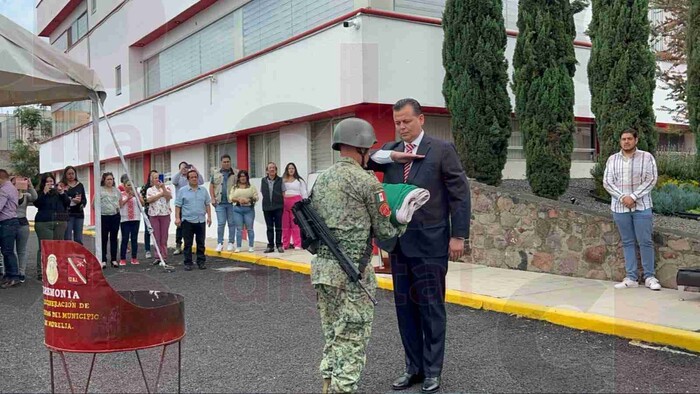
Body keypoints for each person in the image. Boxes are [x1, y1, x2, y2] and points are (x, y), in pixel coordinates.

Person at [369, 98, 471, 393]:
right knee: (406, 310)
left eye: (406, 121)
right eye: (397, 122)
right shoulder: (391, 152)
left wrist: (458, 236)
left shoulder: (441, 150)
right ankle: (412, 368)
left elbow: (459, 195)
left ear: (421, 119)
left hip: (431, 243)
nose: (401, 127)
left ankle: (432, 370)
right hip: (399, 245)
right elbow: (369, 159)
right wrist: (393, 157)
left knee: (430, 308)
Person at [311, 118, 404, 393]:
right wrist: (405, 217)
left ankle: (327, 385)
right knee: (351, 341)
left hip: (323, 271)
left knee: (333, 335)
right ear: (363, 147)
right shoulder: (367, 182)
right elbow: (385, 229)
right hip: (353, 275)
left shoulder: (321, 179)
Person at [603, 129, 661, 291]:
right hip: (620, 208)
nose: (626, 141)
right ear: (620, 141)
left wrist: (633, 197)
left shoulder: (646, 157)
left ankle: (649, 277)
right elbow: (607, 182)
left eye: (629, 138)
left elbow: (651, 179)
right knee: (628, 242)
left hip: (642, 206)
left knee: (645, 241)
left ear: (636, 140)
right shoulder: (612, 159)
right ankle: (631, 277)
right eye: (623, 139)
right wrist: (623, 198)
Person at [33, 173, 71, 280]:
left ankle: (58, 270)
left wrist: (62, 192)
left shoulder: (58, 192)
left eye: (51, 181)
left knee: (58, 246)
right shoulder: (40, 193)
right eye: (47, 182)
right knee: (45, 247)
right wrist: (44, 193)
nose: (50, 184)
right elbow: (37, 204)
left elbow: (67, 203)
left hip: (59, 221)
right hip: (44, 222)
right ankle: (42, 272)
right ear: (44, 183)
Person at [175, 169, 212, 271]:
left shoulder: (203, 190)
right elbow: (178, 205)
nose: (194, 179)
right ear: (188, 179)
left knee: (201, 243)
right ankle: (188, 263)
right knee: (188, 243)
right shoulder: (182, 191)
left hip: (201, 220)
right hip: (187, 220)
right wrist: (177, 218)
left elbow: (207, 204)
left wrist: (209, 217)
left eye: (195, 177)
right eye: (191, 177)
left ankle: (201, 262)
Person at [171, 161, 204, 255]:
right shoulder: (179, 178)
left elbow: (201, 181)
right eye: (183, 168)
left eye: (186, 168)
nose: (185, 169)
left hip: (192, 207)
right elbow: (173, 181)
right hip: (181, 206)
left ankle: (188, 246)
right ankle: (178, 245)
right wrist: (180, 171)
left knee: (191, 229)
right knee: (180, 227)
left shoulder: (191, 178)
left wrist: (195, 169)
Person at [209, 154, 237, 252]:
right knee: (221, 223)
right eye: (224, 162)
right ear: (221, 163)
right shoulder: (215, 173)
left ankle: (231, 242)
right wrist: (212, 198)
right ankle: (220, 243)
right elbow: (211, 186)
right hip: (220, 203)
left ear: (230, 162)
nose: (226, 163)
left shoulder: (235, 173)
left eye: (228, 162)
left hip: (231, 203)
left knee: (232, 223)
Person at [12, 175, 37, 283]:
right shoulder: (6, 194)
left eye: (18, 182)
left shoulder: (26, 195)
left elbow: (35, 197)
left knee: (22, 250)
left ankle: (21, 272)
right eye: (14, 182)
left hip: (23, 223)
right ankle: (11, 271)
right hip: (10, 223)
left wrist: (30, 184)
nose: (16, 184)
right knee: (10, 250)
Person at [146, 170, 172, 264]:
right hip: (154, 215)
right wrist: (161, 194)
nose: (157, 179)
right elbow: (149, 200)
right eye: (155, 178)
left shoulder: (167, 187)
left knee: (164, 237)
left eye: (158, 177)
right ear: (152, 180)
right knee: (156, 236)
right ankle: (157, 256)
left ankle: (164, 256)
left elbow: (169, 197)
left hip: (165, 214)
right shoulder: (150, 190)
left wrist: (163, 188)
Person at [228, 169, 258, 253]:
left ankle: (251, 246)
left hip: (249, 209)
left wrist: (248, 200)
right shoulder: (234, 187)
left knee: (250, 228)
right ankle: (238, 246)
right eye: (241, 176)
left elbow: (256, 197)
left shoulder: (251, 187)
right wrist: (238, 200)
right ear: (238, 178)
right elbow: (230, 197)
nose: (242, 178)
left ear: (247, 177)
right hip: (237, 209)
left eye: (244, 176)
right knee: (239, 229)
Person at [0, 169, 20, 289]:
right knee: (7, 251)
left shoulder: (4, 190)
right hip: (11, 222)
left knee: (7, 251)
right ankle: (9, 276)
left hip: (7, 222)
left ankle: (13, 277)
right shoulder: (12, 188)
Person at [119, 174, 144, 266]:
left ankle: (134, 258)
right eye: (128, 185)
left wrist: (136, 196)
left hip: (135, 218)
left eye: (131, 185)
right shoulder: (121, 194)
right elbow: (120, 205)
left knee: (134, 238)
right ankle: (122, 258)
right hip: (124, 219)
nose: (130, 187)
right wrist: (128, 198)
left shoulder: (137, 194)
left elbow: (143, 204)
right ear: (124, 186)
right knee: (125, 238)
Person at [281, 162, 308, 250]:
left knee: (295, 224)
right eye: (289, 168)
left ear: (295, 170)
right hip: (285, 203)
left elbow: (304, 192)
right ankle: (285, 244)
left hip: (296, 203)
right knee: (285, 225)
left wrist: (305, 202)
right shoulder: (282, 180)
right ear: (287, 170)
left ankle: (297, 244)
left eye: (292, 168)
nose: (291, 170)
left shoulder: (299, 180)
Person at [97, 172, 121, 268]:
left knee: (114, 238)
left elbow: (120, 202)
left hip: (115, 216)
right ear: (104, 180)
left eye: (111, 179)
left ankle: (114, 259)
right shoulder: (100, 190)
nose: (110, 181)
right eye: (108, 179)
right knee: (104, 238)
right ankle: (103, 259)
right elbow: (94, 204)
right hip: (104, 216)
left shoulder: (117, 191)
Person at [261, 162, 284, 253]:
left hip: (278, 207)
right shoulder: (263, 180)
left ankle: (279, 245)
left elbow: (283, 192)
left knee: (278, 227)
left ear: (276, 170)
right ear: (267, 170)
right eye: (270, 168)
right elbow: (263, 192)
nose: (272, 169)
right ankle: (270, 245)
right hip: (267, 207)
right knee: (269, 227)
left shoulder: (280, 180)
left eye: (274, 168)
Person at [62, 166, 87, 244]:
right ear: (65, 175)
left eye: (73, 173)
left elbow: (84, 201)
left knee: (78, 239)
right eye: (69, 174)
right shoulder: (62, 185)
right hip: (67, 214)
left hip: (78, 214)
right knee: (67, 238)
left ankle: (78, 256)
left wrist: (79, 202)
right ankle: (67, 255)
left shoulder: (80, 185)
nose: (71, 176)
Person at [140, 174, 153, 259]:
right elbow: (144, 202)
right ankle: (147, 250)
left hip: (159, 212)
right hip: (148, 210)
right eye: (152, 177)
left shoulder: (160, 187)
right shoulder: (145, 188)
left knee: (158, 232)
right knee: (147, 231)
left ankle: (159, 249)